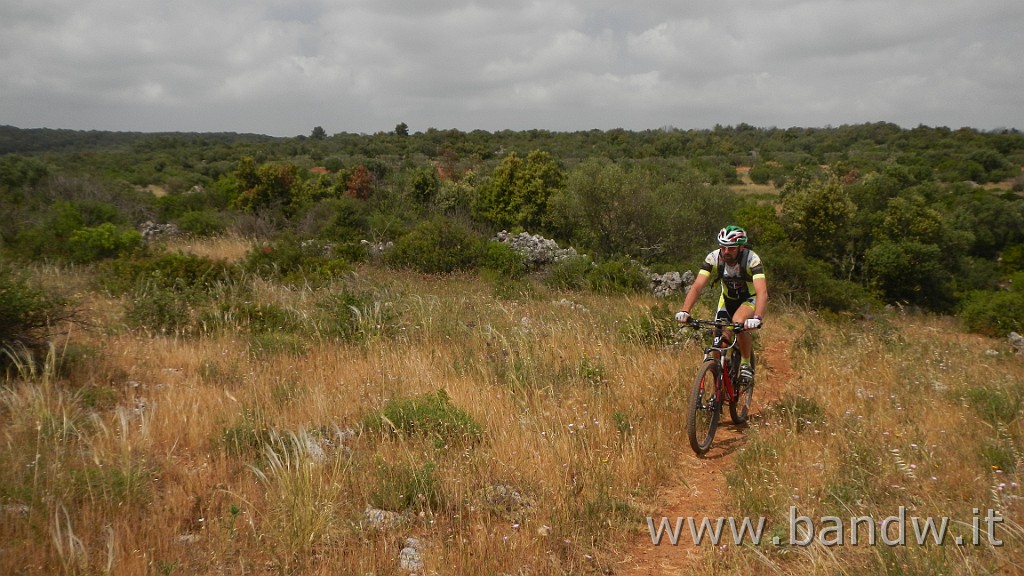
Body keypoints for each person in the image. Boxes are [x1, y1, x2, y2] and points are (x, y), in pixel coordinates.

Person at [675, 225, 768, 382]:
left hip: (749, 300)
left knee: (738, 322)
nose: (726, 252)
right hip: (727, 300)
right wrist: (685, 311)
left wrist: (757, 317)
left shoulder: (752, 260)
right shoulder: (713, 258)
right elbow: (697, 286)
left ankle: (745, 364)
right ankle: (720, 381)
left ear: (741, 247)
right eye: (723, 247)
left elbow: (762, 292)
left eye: (731, 248)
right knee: (718, 339)